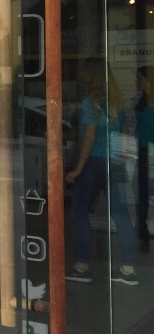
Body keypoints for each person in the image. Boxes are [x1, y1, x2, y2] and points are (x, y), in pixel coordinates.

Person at [65, 58, 138, 285]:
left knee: (79, 211)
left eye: (85, 72)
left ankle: (82, 266)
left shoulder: (91, 102)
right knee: (120, 213)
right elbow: (125, 133)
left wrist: (76, 170)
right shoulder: (118, 101)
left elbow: (89, 137)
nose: (82, 75)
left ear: (92, 75)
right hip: (113, 163)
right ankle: (128, 268)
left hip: (95, 163)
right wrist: (123, 162)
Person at [135, 66, 154, 252]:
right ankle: (143, 233)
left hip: (151, 151)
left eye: (140, 78)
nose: (137, 82)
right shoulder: (140, 99)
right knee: (142, 194)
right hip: (142, 151)